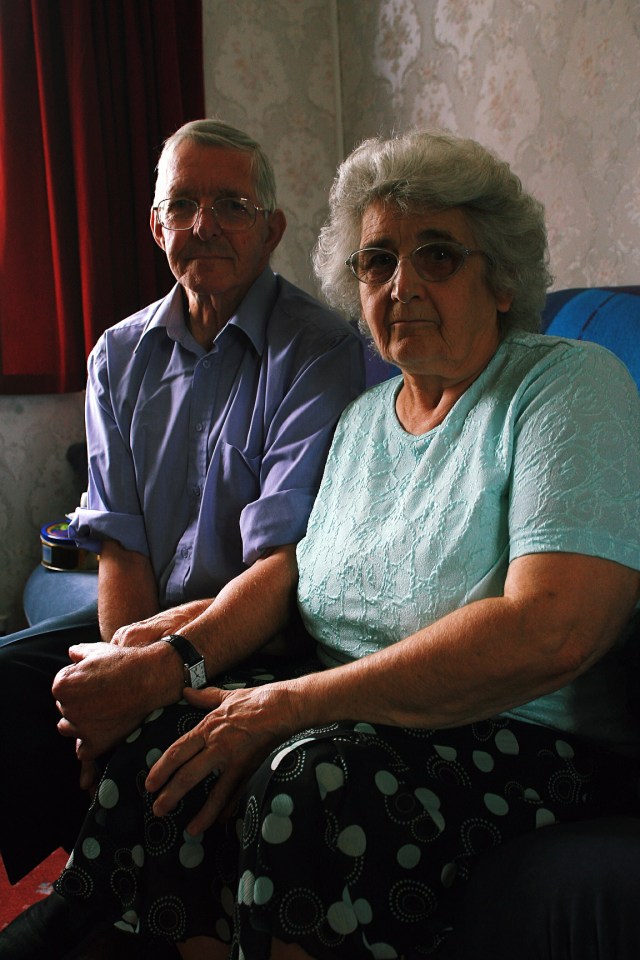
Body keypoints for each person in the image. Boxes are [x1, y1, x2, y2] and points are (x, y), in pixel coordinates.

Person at [3, 129, 640, 960]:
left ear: (504, 277)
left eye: (438, 256)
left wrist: (291, 702)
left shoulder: (564, 385)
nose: (402, 285)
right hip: (360, 705)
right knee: (172, 732)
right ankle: (106, 923)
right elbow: (304, 574)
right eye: (377, 262)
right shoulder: (367, 418)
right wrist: (171, 647)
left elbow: (555, 627)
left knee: (303, 785)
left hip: (514, 730)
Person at [0, 119, 364, 885]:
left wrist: (154, 672)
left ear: (271, 229)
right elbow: (121, 544)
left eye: (232, 205)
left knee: (138, 714)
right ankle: (85, 882)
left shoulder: (322, 348)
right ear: (157, 224)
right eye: (184, 204)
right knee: (12, 682)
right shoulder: (116, 355)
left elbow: (284, 563)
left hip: (264, 633)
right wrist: (128, 657)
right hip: (153, 616)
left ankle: (99, 898)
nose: (206, 225)